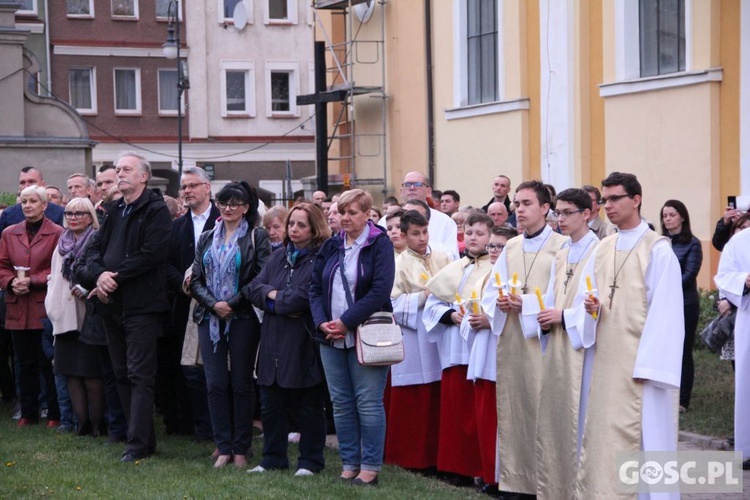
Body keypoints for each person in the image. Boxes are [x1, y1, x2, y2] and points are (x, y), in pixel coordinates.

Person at [573, 172, 683, 498]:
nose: (608, 206)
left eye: (615, 198)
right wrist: (590, 309)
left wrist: (648, 367)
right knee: (604, 436)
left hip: (641, 367)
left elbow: (668, 314)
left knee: (647, 441)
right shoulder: (602, 248)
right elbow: (585, 297)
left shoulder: (658, 250)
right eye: (604, 200)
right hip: (605, 360)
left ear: (636, 199)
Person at [79, 151, 172, 462]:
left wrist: (113, 277)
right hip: (111, 305)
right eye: (117, 169)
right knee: (121, 373)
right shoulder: (115, 209)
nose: (119, 173)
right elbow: (93, 250)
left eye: (126, 169)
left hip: (142, 306)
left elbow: (152, 254)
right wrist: (99, 275)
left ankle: (136, 444)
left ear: (143, 176)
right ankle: (143, 440)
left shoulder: (156, 210)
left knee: (139, 375)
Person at [481, 180, 567, 497]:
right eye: (517, 203)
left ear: (545, 208)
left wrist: (528, 304)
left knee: (543, 410)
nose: (520, 209)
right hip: (514, 340)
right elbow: (492, 289)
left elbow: (562, 294)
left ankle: (546, 481)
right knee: (515, 409)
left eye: (527, 203)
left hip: (545, 341)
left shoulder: (561, 246)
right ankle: (516, 480)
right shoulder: (512, 246)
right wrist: (501, 302)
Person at [309, 189, 395, 486]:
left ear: (367, 214)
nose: (345, 218)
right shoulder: (331, 245)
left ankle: (370, 467)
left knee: (368, 403)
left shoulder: (379, 243)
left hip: (367, 334)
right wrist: (322, 323)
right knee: (341, 403)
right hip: (330, 337)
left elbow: (380, 290)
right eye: (341, 212)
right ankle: (349, 464)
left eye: (352, 213)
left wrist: (346, 321)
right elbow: (314, 288)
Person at [245, 203, 330, 475]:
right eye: (291, 223)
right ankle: (272, 458)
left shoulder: (321, 259)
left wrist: (274, 299)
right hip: (272, 341)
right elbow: (252, 288)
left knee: (309, 405)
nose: (294, 229)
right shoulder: (278, 256)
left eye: (301, 225)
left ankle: (310, 461)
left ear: (314, 228)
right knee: (271, 404)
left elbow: (303, 298)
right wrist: (277, 300)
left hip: (303, 341)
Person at [190, 181, 270, 468]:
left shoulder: (256, 237)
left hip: (243, 317)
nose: (227, 208)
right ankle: (222, 445)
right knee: (214, 384)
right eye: (223, 203)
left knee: (241, 383)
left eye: (234, 203)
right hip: (209, 317)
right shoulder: (208, 236)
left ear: (246, 208)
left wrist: (233, 303)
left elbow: (260, 277)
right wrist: (213, 304)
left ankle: (241, 447)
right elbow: (195, 278)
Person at [530, 188, 598, 499]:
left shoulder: (600, 251)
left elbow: (598, 305)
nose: (561, 219)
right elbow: (552, 294)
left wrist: (565, 316)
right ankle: (559, 483)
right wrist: (544, 316)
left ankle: (584, 485)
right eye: (558, 212)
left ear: (587, 214)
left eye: (568, 212)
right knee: (559, 417)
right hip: (558, 343)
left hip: (585, 347)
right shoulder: (561, 254)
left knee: (583, 418)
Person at [423, 212, 495, 485]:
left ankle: (482, 469)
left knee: (478, 413)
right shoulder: (456, 267)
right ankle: (456, 467)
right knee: (455, 409)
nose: (473, 238)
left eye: (480, 233)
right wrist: (450, 316)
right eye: (469, 233)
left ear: (491, 236)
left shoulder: (496, 267)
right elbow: (433, 303)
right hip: (454, 348)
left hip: (482, 346)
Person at [386, 210, 452, 471]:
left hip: (442, 335)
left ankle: (439, 457)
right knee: (415, 399)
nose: (422, 238)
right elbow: (392, 304)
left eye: (425, 232)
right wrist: (424, 296)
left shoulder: (443, 256)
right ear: (403, 235)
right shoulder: (399, 263)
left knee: (439, 396)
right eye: (415, 233)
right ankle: (411, 458)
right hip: (414, 339)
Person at [162, 167, 219, 442]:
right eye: (183, 187)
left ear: (207, 187)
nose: (186, 191)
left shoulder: (224, 220)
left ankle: (222, 425)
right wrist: (186, 286)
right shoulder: (177, 226)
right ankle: (201, 427)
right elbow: (168, 264)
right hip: (186, 305)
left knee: (217, 370)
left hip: (220, 304)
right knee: (190, 370)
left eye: (192, 186)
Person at [0, 185, 63, 427]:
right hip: (17, 304)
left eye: (33, 201)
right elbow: (2, 265)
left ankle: (54, 413)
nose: (27, 205)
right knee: (23, 362)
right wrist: (11, 281)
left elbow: (58, 268)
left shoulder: (56, 232)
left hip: (43, 304)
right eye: (24, 201)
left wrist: (33, 280)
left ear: (44, 205)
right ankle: (28, 412)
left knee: (47, 361)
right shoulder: (9, 233)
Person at [45, 197, 104, 436]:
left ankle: (99, 424)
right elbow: (53, 277)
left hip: (89, 315)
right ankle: (82, 424)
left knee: (91, 374)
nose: (73, 218)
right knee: (70, 373)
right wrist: (51, 303)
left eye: (79, 213)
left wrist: (88, 290)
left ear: (91, 217)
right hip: (63, 316)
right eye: (69, 213)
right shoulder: (62, 242)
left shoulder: (97, 240)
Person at [661, 199, 703, 413]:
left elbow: (690, 274)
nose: (667, 219)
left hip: (685, 303)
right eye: (665, 215)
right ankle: (666, 395)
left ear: (682, 217)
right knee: (666, 349)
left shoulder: (693, 243)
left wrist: (666, 286)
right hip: (663, 303)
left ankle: (682, 401)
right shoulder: (660, 243)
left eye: (672, 215)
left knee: (684, 351)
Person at [400, 172, 459, 260]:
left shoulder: (445, 222)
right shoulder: (387, 221)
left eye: (418, 184)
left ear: (428, 191)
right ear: (401, 191)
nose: (412, 188)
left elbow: (452, 257)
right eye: (407, 184)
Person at [0, 167, 64, 232]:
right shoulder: (8, 214)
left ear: (43, 185)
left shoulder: (59, 213)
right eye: (22, 183)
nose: (26, 186)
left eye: (31, 182)